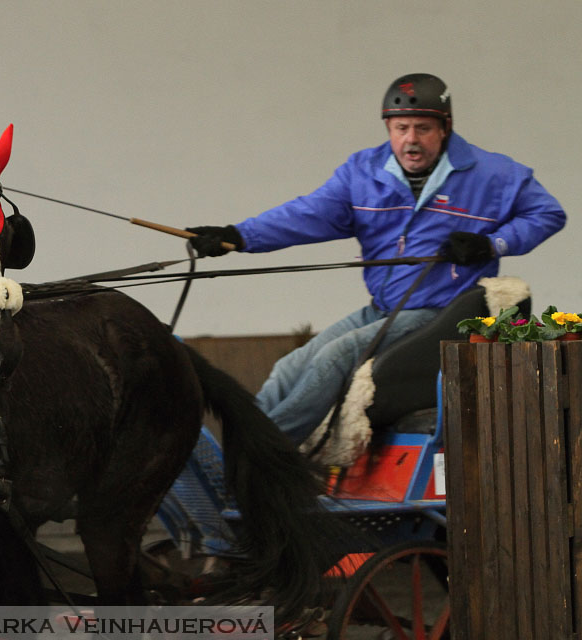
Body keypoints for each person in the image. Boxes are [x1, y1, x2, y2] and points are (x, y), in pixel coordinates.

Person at [186, 73, 566, 446]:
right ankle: (236, 455)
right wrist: (238, 236)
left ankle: (267, 458)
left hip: (436, 310)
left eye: (423, 128)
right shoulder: (362, 172)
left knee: (335, 357)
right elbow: (307, 213)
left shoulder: (494, 174)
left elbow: (548, 214)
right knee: (289, 367)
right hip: (384, 309)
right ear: (388, 127)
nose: (410, 140)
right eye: (401, 128)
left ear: (445, 127)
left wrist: (492, 243)